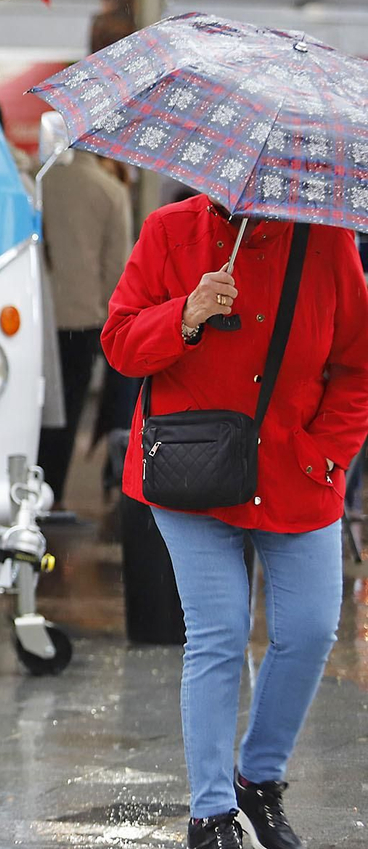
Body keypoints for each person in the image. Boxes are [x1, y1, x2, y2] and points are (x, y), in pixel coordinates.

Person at [103, 192, 368, 849]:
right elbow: (118, 344)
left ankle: (259, 777)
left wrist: (324, 454)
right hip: (191, 472)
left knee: (309, 628)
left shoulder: (327, 240)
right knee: (219, 631)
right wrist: (185, 314)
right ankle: (212, 812)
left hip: (296, 471)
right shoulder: (169, 230)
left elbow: (358, 368)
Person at [36, 148, 132, 506]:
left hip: (37, 312)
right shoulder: (111, 191)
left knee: (34, 403)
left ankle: (24, 485)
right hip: (83, 318)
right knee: (70, 405)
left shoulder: (40, 180)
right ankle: (53, 494)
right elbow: (116, 269)